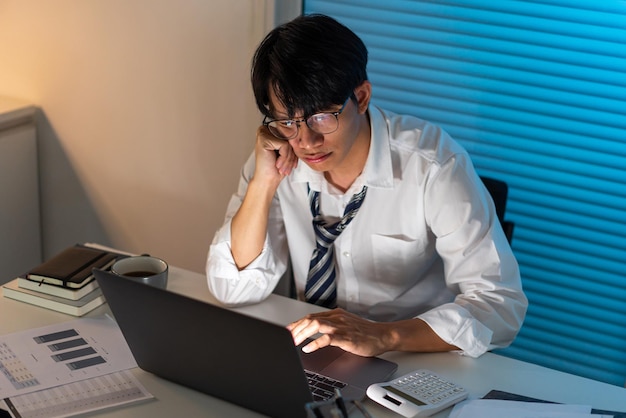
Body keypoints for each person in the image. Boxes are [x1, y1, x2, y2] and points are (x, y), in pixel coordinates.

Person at [206, 14, 527, 359]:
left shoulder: (433, 164)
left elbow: (500, 305)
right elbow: (232, 287)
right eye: (288, 121)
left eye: (321, 117)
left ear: (361, 97)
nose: (306, 141)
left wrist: (384, 336)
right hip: (314, 349)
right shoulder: (277, 156)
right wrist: (263, 182)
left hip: (410, 356)